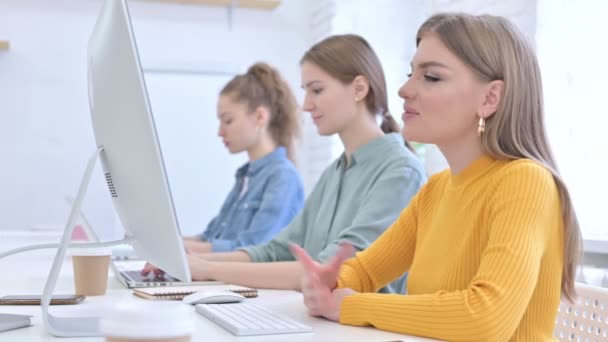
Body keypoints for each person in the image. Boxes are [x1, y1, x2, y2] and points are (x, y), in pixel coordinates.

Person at [292, 13, 582, 341]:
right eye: (410, 73)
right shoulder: (437, 189)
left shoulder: (526, 182)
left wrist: (352, 305)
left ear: (490, 98)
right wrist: (329, 283)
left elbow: (485, 318)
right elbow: (363, 270)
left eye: (430, 77)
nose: (403, 90)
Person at [146, 34, 426, 292]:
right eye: (305, 91)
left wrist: (206, 268)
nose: (305, 104)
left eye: (316, 90)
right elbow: (275, 250)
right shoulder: (335, 172)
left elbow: (329, 272)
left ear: (359, 88)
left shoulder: (399, 172)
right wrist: (191, 261)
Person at [180, 62, 305, 254]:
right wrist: (168, 245)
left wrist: (182, 250)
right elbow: (210, 237)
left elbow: (251, 249)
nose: (220, 132)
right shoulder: (246, 176)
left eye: (228, 120)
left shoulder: (283, 177)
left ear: (260, 117)